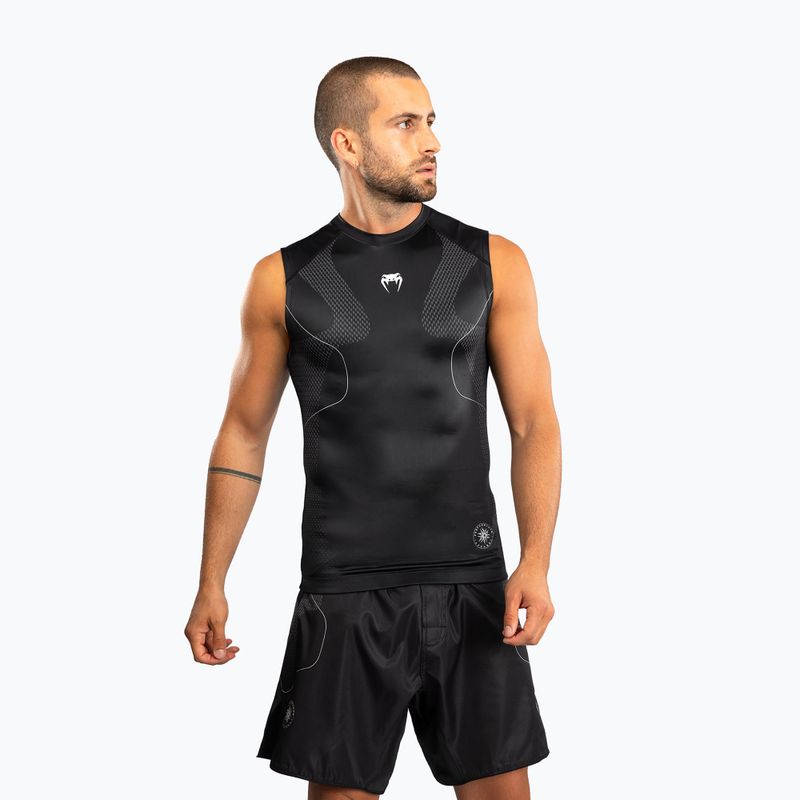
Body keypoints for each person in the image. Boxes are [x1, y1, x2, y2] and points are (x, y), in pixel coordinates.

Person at [184, 56, 562, 800]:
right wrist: (211, 581)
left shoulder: (492, 262)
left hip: (472, 581)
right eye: (406, 123)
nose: (432, 142)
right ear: (348, 144)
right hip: (344, 592)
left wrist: (536, 561)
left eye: (431, 122)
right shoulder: (283, 279)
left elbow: (533, 423)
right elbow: (243, 435)